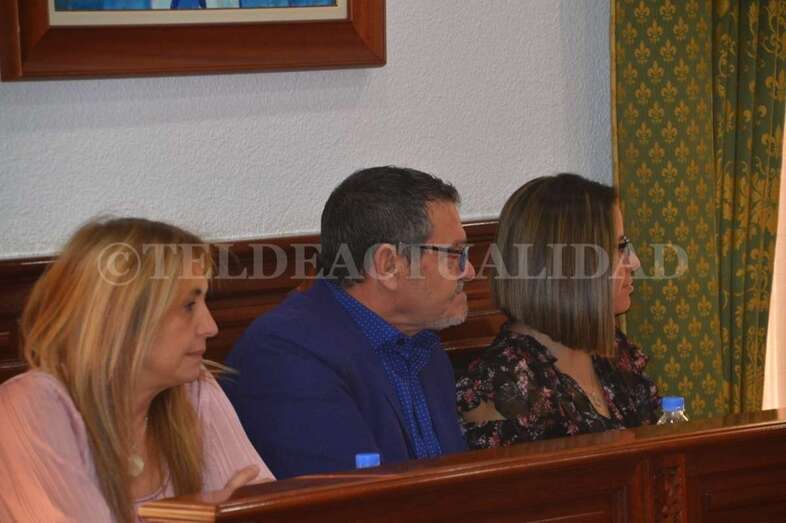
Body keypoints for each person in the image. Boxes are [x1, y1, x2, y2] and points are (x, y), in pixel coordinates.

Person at [0, 218, 274, 523]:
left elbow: (270, 510)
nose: (210, 327)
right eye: (188, 306)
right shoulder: (32, 405)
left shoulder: (196, 390)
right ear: (120, 317)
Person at [223, 166, 475, 478]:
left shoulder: (422, 345)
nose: (469, 271)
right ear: (388, 265)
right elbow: (348, 498)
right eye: (454, 254)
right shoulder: (286, 353)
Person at [456, 173, 660, 448]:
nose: (634, 262)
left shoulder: (612, 351)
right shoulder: (502, 385)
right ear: (569, 266)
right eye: (619, 247)